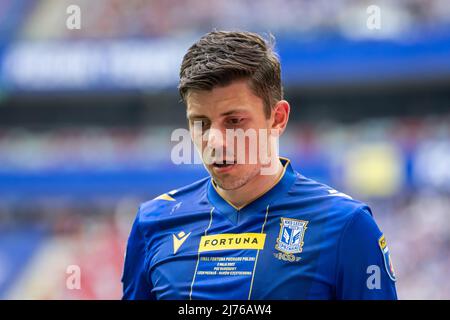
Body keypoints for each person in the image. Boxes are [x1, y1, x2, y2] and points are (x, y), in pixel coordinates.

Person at [122, 31, 397, 300]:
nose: (215, 140)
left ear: (277, 118)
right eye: (200, 123)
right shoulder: (153, 223)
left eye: (234, 121)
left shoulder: (346, 225)